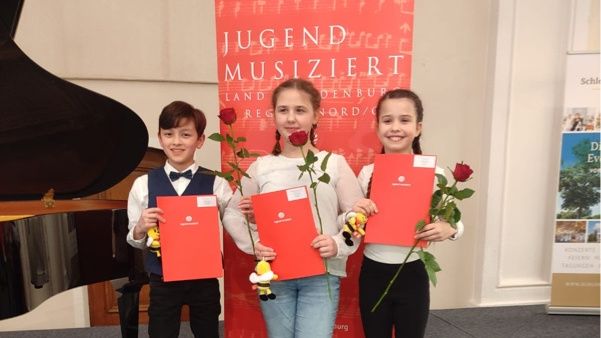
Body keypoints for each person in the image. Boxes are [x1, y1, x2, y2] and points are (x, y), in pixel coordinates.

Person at [222, 78, 364, 338]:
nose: (291, 118)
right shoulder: (261, 167)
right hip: (275, 273)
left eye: (300, 110)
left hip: (322, 274)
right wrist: (253, 243)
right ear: (274, 115)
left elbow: (358, 215)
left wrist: (337, 243)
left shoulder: (333, 164)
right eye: (283, 110)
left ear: (315, 116)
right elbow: (232, 213)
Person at [352, 89, 465, 338]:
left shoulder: (434, 173)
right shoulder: (367, 173)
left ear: (418, 127)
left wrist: (449, 229)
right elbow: (351, 225)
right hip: (373, 271)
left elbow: (455, 221)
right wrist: (354, 217)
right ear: (377, 125)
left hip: (413, 273)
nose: (395, 127)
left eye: (404, 120)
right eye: (387, 120)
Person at [126, 101, 232, 338]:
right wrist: (140, 228)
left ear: (200, 140)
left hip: (204, 279)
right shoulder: (142, 184)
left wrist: (251, 217)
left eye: (185, 134)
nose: (176, 141)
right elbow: (134, 239)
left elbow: (235, 225)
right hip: (162, 280)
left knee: (208, 333)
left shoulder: (217, 183)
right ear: (160, 138)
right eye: (168, 134)